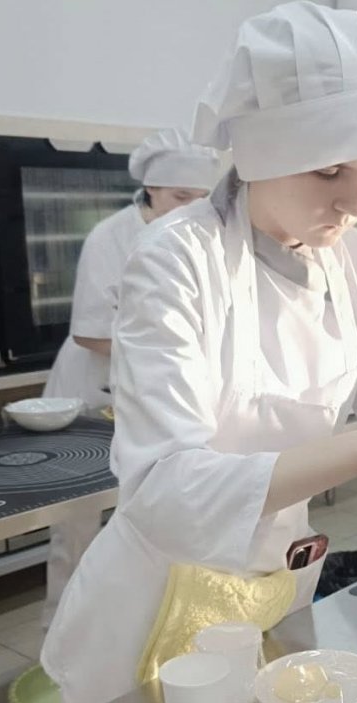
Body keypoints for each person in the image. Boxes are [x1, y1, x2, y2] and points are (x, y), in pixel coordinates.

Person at [41, 0, 357, 703]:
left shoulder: (351, 259)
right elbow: (164, 490)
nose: (354, 201)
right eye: (329, 171)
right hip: (154, 603)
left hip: (270, 589)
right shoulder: (174, 260)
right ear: (260, 154)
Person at [39, 129, 220, 629]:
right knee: (77, 525)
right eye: (180, 196)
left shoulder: (200, 237)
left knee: (146, 518)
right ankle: (61, 634)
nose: (191, 208)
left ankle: (134, 634)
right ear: (151, 190)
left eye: (201, 197)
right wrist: (177, 354)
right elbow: (91, 333)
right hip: (91, 393)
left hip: (157, 394)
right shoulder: (110, 237)